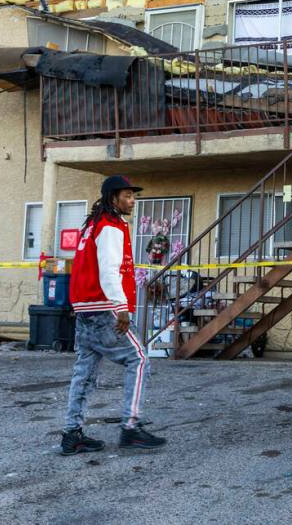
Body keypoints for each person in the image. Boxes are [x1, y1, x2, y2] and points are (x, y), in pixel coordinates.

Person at [60, 175, 167, 455]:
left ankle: (72, 434)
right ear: (113, 198)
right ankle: (130, 428)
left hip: (84, 308)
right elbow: (109, 270)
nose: (132, 201)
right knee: (139, 357)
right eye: (127, 196)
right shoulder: (110, 227)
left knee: (84, 371)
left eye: (134, 196)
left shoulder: (91, 226)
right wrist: (120, 307)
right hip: (103, 307)